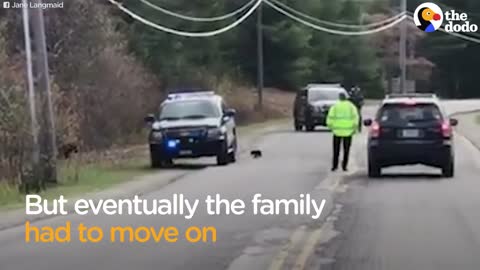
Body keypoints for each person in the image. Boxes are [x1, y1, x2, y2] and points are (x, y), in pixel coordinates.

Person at [326, 92, 359, 172]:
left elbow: (330, 117)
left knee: (336, 150)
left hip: (337, 131)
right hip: (348, 131)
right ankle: (344, 166)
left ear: (339, 98)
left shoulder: (335, 106)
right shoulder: (351, 106)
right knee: (346, 150)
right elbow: (356, 117)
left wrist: (330, 126)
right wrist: (354, 128)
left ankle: (334, 166)